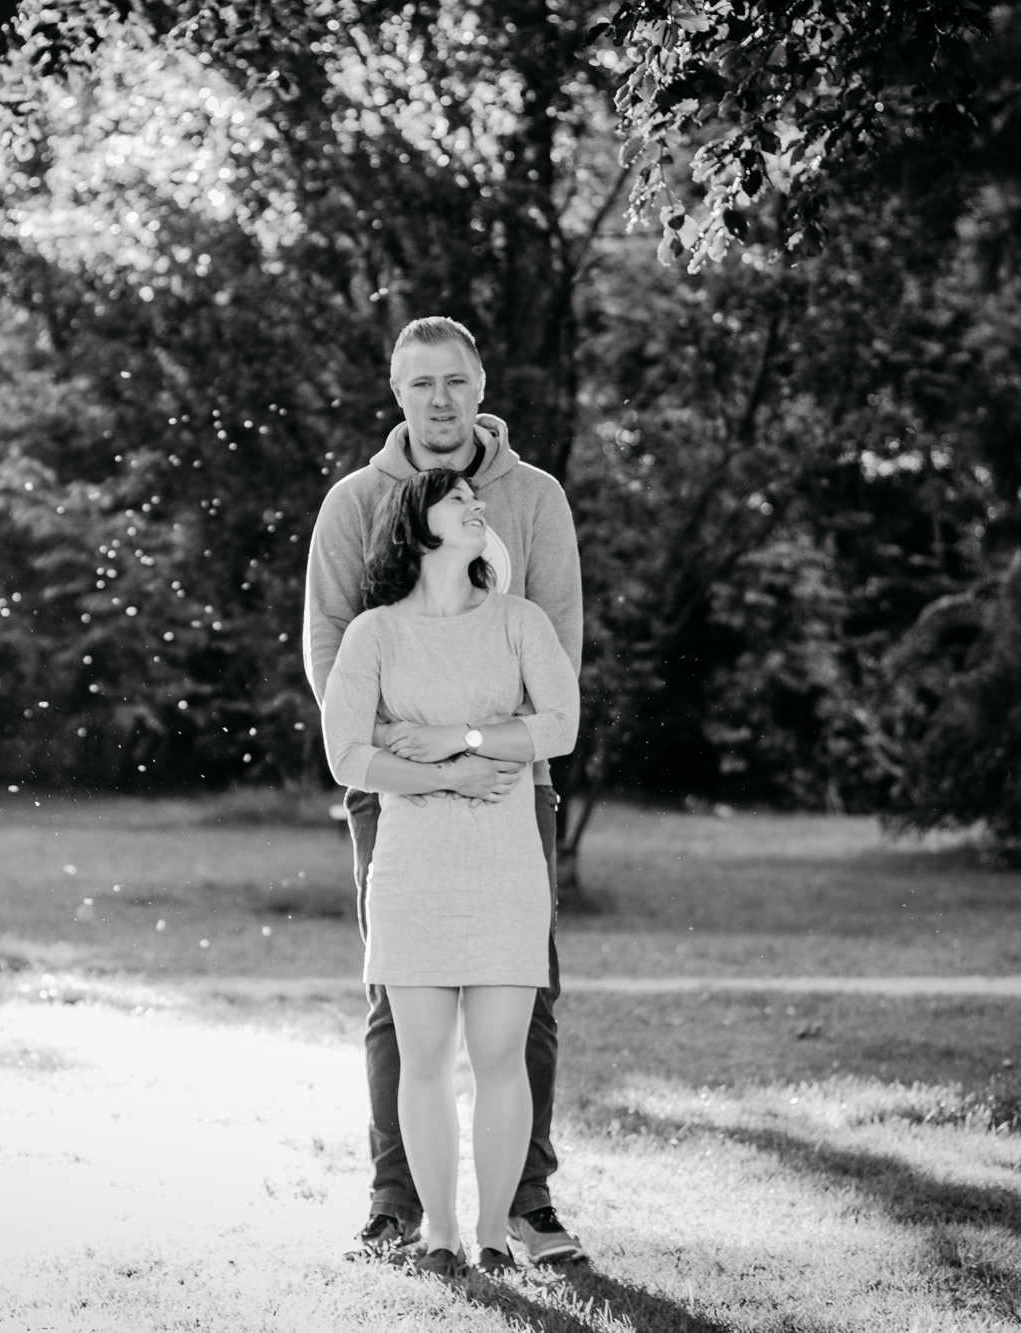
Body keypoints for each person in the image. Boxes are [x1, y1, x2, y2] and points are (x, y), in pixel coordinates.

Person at [302, 316, 586, 1266]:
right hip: (392, 785)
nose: (439, 399)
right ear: (397, 394)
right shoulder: (356, 500)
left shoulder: (534, 497)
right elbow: (330, 644)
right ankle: (400, 1205)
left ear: (480, 386)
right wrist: (407, 758)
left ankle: (526, 1204)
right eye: (420, 382)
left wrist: (488, 748)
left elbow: (557, 643)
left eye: (455, 380)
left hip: (515, 782)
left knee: (528, 996)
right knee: (398, 998)